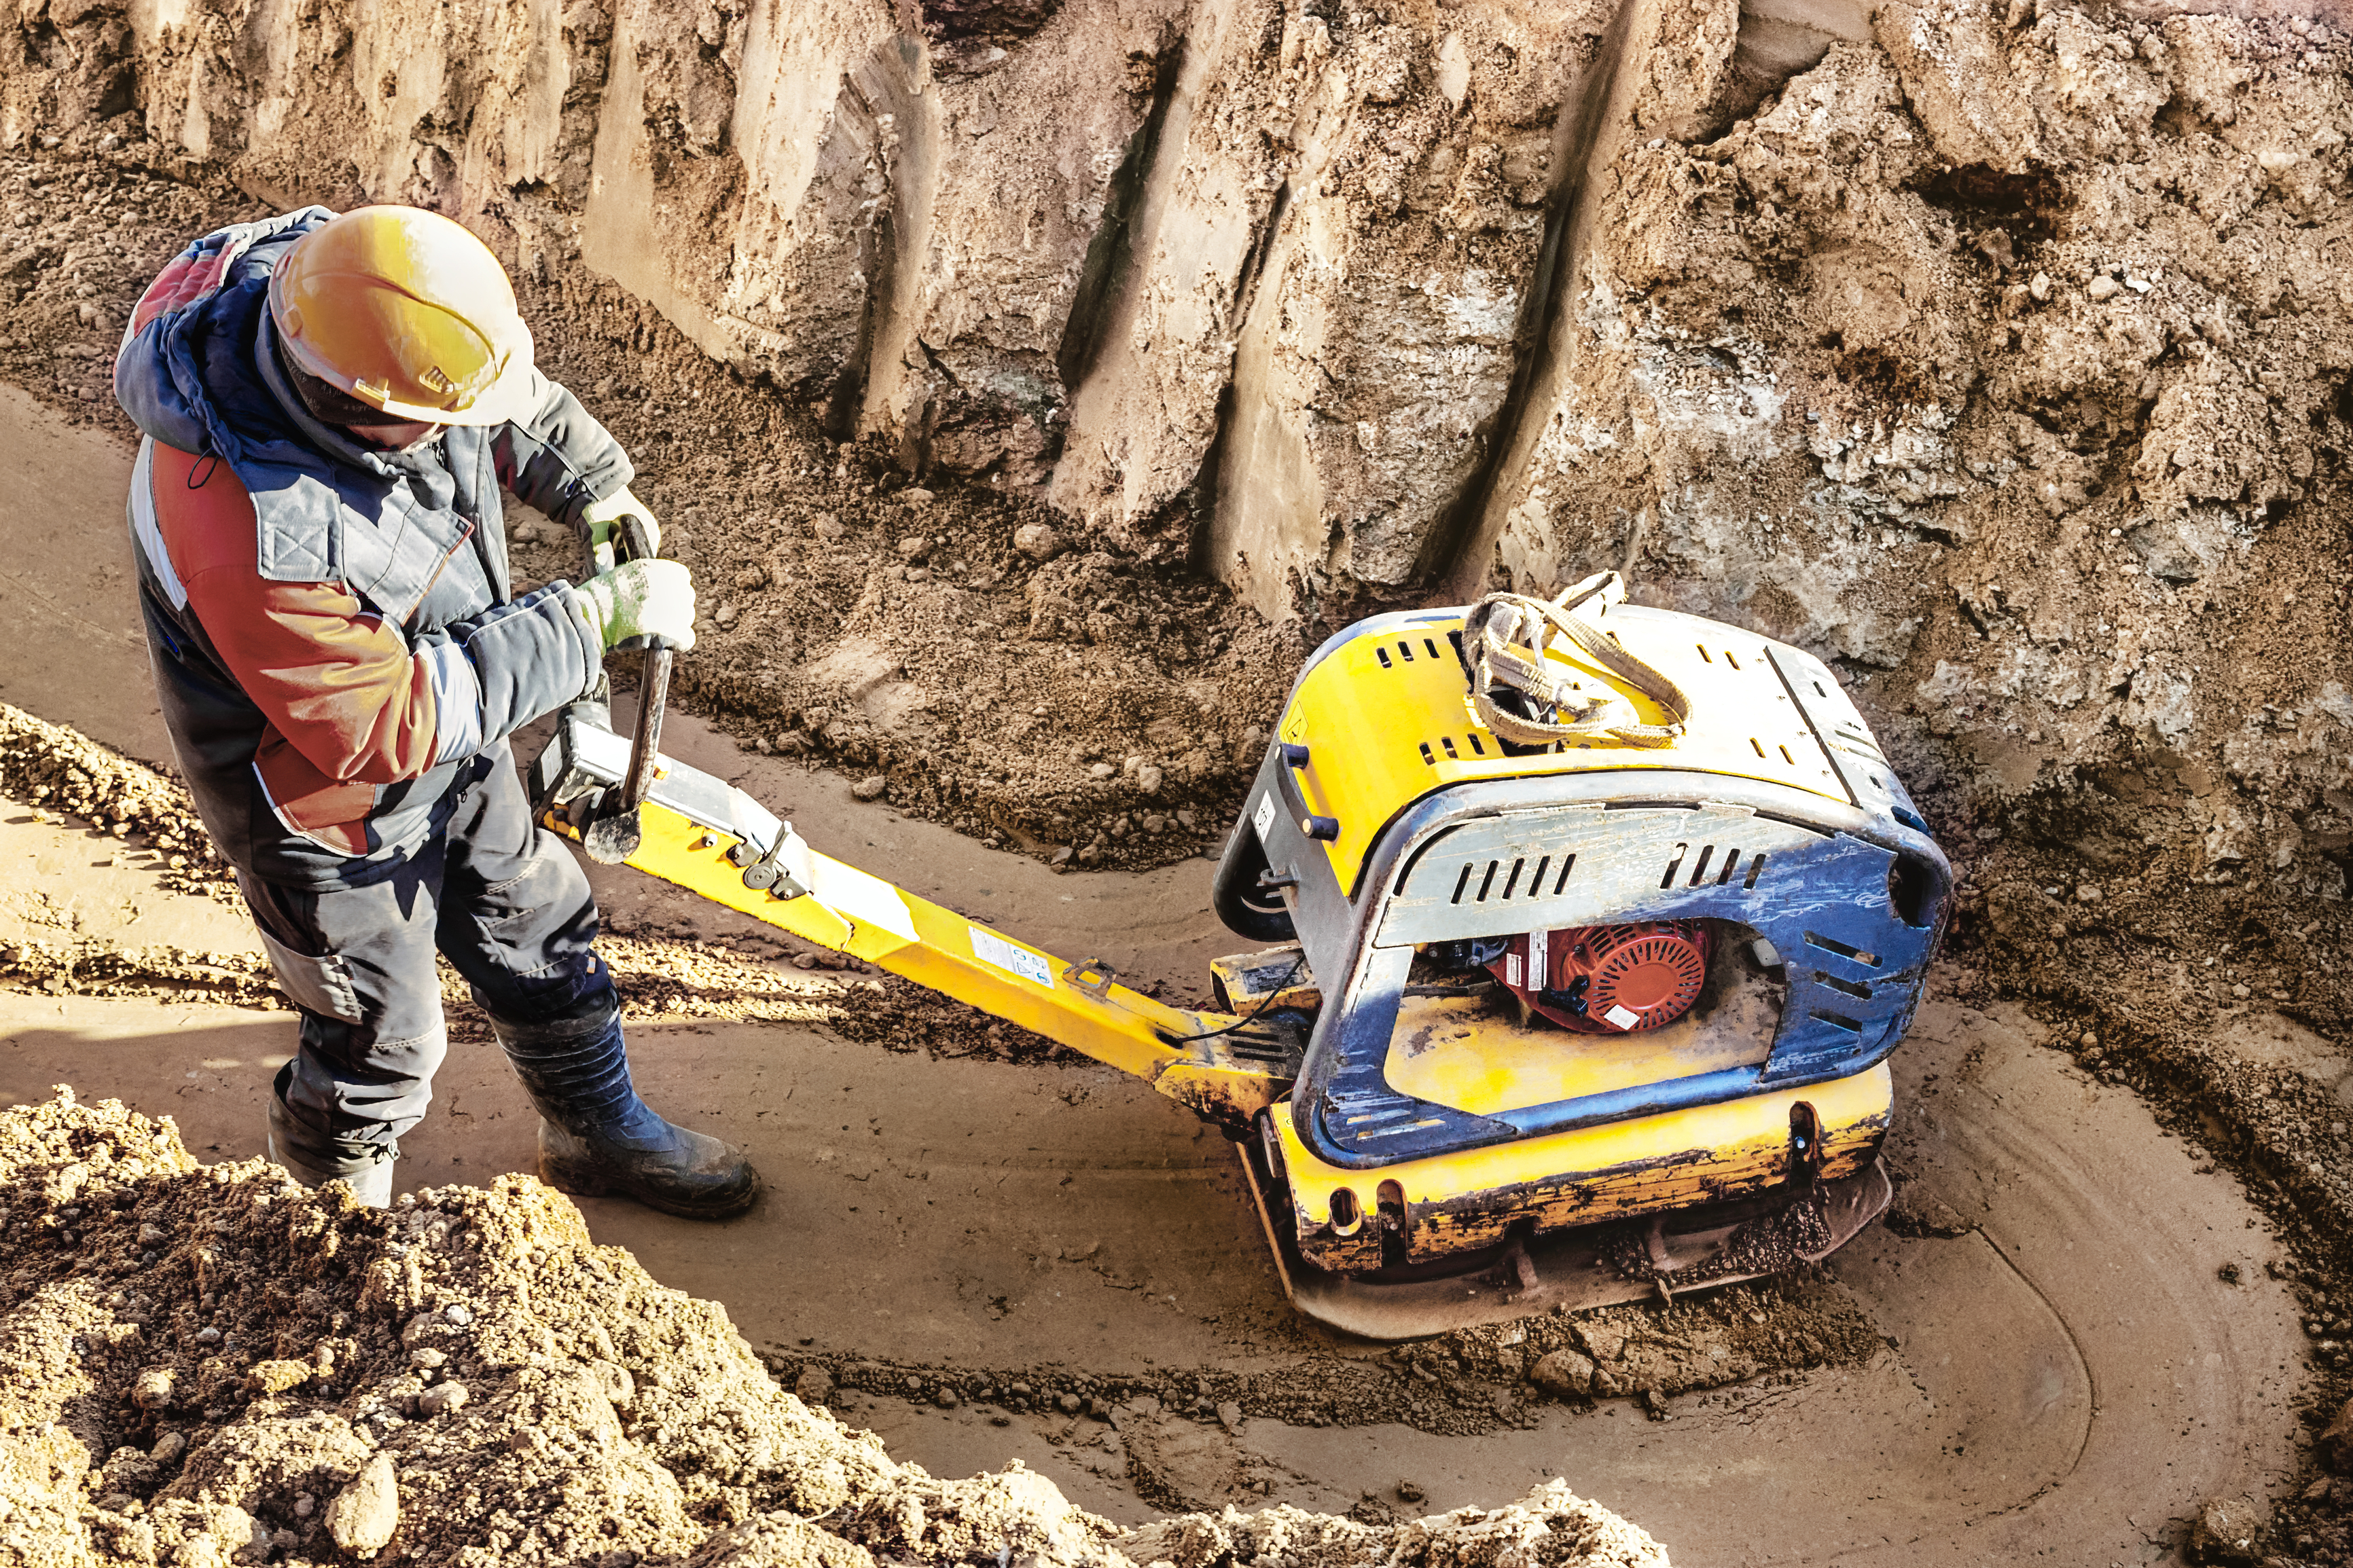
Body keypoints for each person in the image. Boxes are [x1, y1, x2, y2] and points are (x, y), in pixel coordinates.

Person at [111, 202, 758, 1217]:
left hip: (446, 723)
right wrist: (590, 624)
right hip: (320, 801)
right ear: (362, 412)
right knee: (383, 1029)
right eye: (441, 423)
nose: (469, 432)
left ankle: (594, 1129)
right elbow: (380, 722)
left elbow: (496, 396)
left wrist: (591, 483)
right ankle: (330, 1243)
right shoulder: (249, 528)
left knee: (536, 919)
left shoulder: (338, 292)